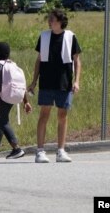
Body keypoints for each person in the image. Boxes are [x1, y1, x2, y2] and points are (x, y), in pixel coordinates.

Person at [28, 9, 81, 163]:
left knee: (62, 116)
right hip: (46, 81)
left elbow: (77, 60)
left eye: (52, 19)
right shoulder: (44, 36)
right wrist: (34, 81)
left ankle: (61, 150)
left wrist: (76, 81)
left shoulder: (71, 37)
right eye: (49, 19)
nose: (50, 21)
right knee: (44, 115)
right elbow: (39, 60)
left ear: (60, 21)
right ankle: (40, 151)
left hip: (64, 82)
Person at [0, 42, 32, 160]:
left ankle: (16, 148)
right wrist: (26, 101)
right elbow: (21, 85)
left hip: (0, 98)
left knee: (2, 121)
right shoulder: (14, 65)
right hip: (13, 96)